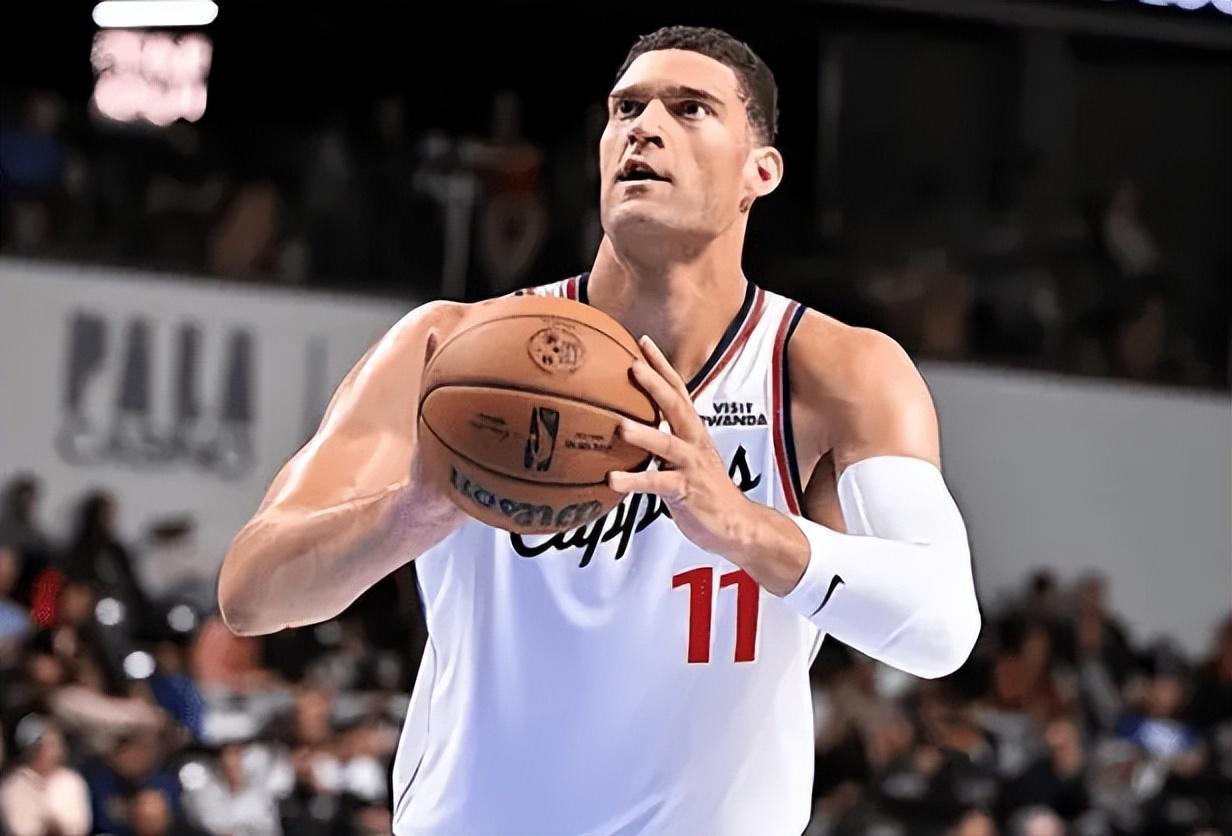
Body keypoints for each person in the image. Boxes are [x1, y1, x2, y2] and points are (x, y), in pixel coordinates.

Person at [218, 26, 981, 834]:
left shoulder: (830, 373)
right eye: (626, 109)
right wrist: (409, 514)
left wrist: (739, 524)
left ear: (760, 170)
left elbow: (942, 628)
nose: (645, 127)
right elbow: (250, 593)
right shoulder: (450, 351)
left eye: (690, 108)